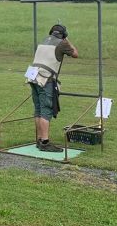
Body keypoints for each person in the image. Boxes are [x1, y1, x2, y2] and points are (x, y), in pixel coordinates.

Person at [26, 24, 78, 152]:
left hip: (33, 76)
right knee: (46, 110)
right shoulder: (62, 43)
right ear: (63, 35)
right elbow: (75, 54)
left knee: (38, 109)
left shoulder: (44, 40)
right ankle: (45, 142)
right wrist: (67, 40)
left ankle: (39, 140)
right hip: (45, 79)